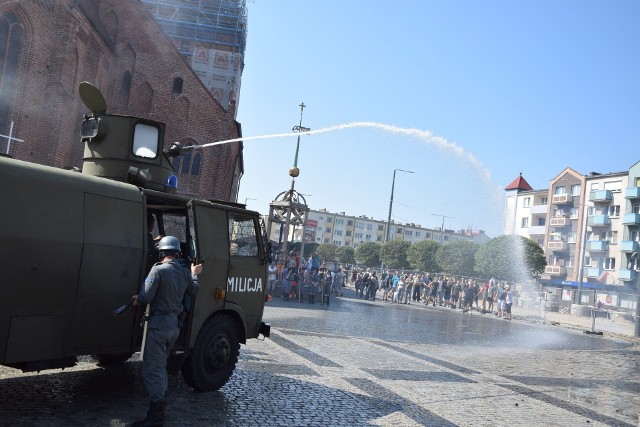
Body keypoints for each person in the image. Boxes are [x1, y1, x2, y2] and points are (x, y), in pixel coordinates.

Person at [131, 236, 201, 427]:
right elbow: (193, 291)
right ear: (177, 253)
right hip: (174, 327)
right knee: (160, 367)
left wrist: (138, 298)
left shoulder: (158, 270)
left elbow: (146, 297)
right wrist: (195, 273)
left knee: (153, 370)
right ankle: (158, 411)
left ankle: (156, 417)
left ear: (161, 253)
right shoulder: (185, 272)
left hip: (159, 325)